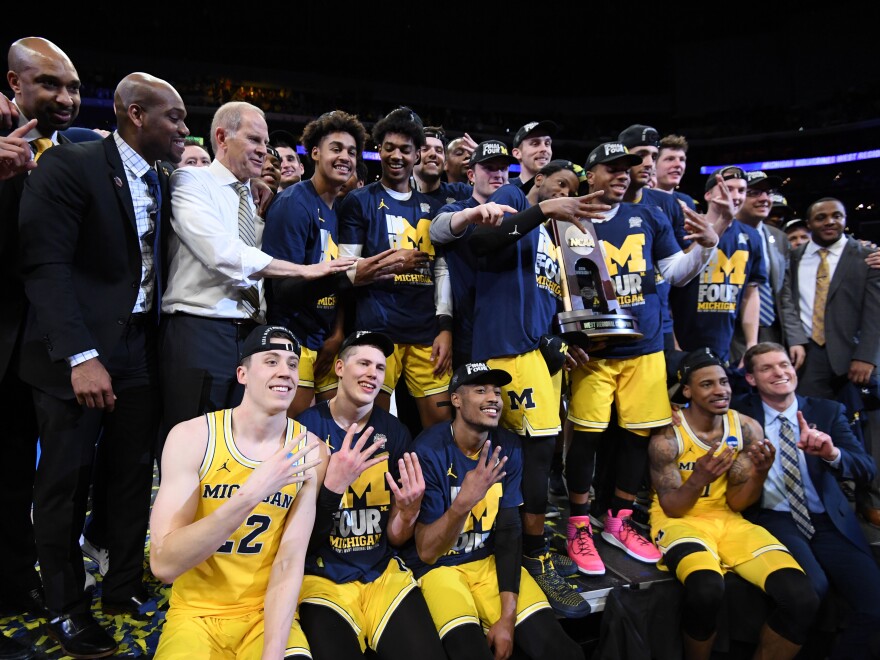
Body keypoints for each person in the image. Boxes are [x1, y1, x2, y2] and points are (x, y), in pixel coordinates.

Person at [18, 71, 187, 658]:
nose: (184, 129)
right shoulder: (72, 165)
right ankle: (66, 605)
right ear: (136, 115)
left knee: (132, 473)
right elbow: (46, 267)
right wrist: (81, 356)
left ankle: (119, 586)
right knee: (65, 482)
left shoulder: (166, 180)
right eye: (175, 118)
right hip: (76, 355)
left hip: (139, 347)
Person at [430, 142, 608, 617]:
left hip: (536, 353)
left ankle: (519, 548)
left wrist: (556, 340)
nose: (569, 195)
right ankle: (532, 556)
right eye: (559, 186)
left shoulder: (552, 236)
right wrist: (545, 206)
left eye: (574, 189)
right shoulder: (511, 201)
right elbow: (484, 243)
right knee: (532, 456)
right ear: (536, 182)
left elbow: (544, 298)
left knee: (532, 456)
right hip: (506, 350)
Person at [159, 101, 356, 444]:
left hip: (250, 333)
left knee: (240, 445)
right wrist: (304, 270)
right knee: (195, 444)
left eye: (265, 143)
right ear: (222, 137)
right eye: (254, 140)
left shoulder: (253, 197)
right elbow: (222, 253)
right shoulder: (191, 180)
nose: (264, 151)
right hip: (200, 329)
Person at [564, 142, 719, 576]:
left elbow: (675, 272)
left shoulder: (650, 215)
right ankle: (578, 524)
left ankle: (619, 520)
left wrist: (706, 248)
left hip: (645, 348)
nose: (621, 174)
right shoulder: (567, 218)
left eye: (627, 169)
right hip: (594, 351)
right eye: (611, 168)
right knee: (588, 439)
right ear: (589, 174)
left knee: (636, 438)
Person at [150, 325, 326, 660]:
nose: (285, 372)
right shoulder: (192, 437)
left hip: (266, 615)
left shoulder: (309, 451)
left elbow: (289, 561)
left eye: (292, 363)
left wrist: (272, 654)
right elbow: (163, 564)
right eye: (271, 361)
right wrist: (252, 493)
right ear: (242, 374)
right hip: (195, 614)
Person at [650, 347, 819, 660]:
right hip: (679, 521)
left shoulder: (745, 427)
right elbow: (673, 506)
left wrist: (759, 473)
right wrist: (699, 478)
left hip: (728, 519)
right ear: (687, 390)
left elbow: (738, 502)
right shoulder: (667, 436)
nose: (720, 390)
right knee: (706, 590)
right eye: (707, 384)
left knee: (802, 598)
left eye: (724, 382)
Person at [409, 362, 585, 660]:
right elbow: (427, 551)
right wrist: (465, 500)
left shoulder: (508, 446)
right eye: (480, 390)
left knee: (564, 652)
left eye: (496, 392)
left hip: (489, 563)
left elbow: (508, 532)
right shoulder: (428, 450)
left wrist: (507, 617)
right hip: (441, 569)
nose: (493, 398)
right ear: (456, 399)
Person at [294, 330, 447, 660]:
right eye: (363, 363)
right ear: (339, 368)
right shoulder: (304, 429)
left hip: (381, 576)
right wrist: (333, 487)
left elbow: (395, 538)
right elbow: (298, 540)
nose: (373, 374)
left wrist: (407, 513)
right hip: (321, 579)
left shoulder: (395, 433)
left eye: (380, 367)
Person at [0, 37, 80, 640]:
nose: (65, 97)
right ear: (14, 84)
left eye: (74, 87)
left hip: (49, 348)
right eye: (50, 84)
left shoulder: (77, 152)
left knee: (41, 478)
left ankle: (33, 582)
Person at [730, 342, 880, 658]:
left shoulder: (827, 411)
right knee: (813, 590)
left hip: (828, 520)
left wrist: (832, 454)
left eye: (784, 364)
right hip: (773, 518)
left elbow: (866, 467)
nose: (779, 372)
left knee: (874, 603)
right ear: (752, 379)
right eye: (767, 368)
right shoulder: (739, 415)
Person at [264, 110, 415, 417]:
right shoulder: (293, 203)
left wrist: (336, 335)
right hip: (295, 341)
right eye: (336, 148)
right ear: (315, 153)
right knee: (291, 437)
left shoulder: (340, 208)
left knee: (333, 435)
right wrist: (355, 276)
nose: (345, 157)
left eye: (351, 151)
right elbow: (282, 290)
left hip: (327, 341)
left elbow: (337, 286)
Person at [337, 106, 452, 431]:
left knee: (441, 427)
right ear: (379, 150)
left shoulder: (437, 208)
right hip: (377, 332)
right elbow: (344, 272)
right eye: (389, 148)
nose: (396, 156)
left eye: (405, 149)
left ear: (417, 154)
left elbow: (442, 270)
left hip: (426, 335)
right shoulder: (358, 201)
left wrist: (445, 327)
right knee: (374, 430)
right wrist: (390, 262)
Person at [782, 197, 880, 526]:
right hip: (809, 356)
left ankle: (870, 498)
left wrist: (866, 356)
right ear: (809, 224)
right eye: (821, 217)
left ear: (845, 218)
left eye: (836, 215)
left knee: (864, 433)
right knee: (812, 427)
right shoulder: (794, 257)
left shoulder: (866, 254)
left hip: (854, 357)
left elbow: (874, 310)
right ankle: (824, 497)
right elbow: (787, 304)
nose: (829, 222)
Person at [668, 166, 767, 365]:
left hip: (724, 345)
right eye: (727, 189)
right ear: (708, 194)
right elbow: (666, 290)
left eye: (741, 190)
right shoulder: (684, 229)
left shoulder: (752, 237)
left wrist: (751, 345)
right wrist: (672, 343)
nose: (736, 196)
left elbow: (750, 293)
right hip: (681, 339)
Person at [730, 170, 799, 364]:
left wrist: (795, 339)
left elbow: (784, 293)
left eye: (767, 192)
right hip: (732, 334)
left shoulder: (779, 237)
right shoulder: (720, 234)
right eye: (754, 193)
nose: (764, 199)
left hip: (772, 330)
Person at [412, 125, 472, 206]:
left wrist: (484, 158)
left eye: (439, 150)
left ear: (445, 162)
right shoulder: (396, 192)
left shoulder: (462, 192)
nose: (433, 154)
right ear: (412, 157)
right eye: (425, 149)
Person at [654, 133, 698, 210]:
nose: (678, 165)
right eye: (670, 159)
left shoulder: (687, 202)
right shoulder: (639, 198)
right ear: (653, 164)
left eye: (682, 160)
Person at [508, 119, 556, 188]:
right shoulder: (504, 191)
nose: (544, 149)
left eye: (547, 143)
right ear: (517, 153)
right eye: (535, 144)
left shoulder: (559, 191)